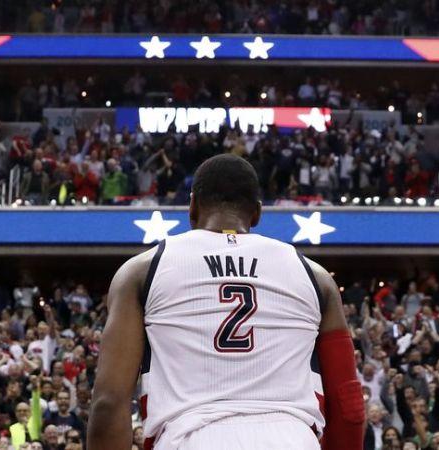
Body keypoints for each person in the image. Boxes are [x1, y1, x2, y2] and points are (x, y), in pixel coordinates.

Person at [88, 154, 364, 449]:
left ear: (192, 207)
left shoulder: (142, 270)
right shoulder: (315, 276)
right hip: (292, 437)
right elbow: (348, 404)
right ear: (257, 213)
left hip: (191, 437)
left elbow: (109, 402)